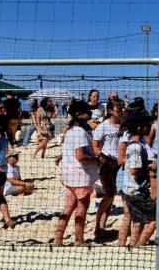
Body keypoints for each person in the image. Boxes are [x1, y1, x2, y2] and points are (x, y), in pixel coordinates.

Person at [54, 100, 98, 246]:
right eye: (88, 112)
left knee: (68, 208)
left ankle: (58, 239)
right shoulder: (79, 132)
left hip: (69, 175)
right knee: (81, 209)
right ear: (79, 114)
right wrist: (96, 160)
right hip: (80, 176)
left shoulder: (71, 131)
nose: (91, 115)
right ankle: (79, 240)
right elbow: (80, 156)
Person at [122, 111, 157, 246]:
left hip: (132, 190)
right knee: (154, 220)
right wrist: (149, 167)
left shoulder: (136, 144)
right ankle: (140, 245)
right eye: (147, 126)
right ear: (139, 129)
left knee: (138, 221)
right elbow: (134, 170)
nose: (150, 128)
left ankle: (133, 246)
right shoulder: (136, 147)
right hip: (137, 191)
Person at [92, 100, 122, 239]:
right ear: (110, 111)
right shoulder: (103, 127)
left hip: (120, 164)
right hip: (107, 165)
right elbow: (95, 146)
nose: (121, 111)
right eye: (118, 109)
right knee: (109, 194)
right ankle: (97, 225)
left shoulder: (123, 126)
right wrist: (103, 158)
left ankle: (101, 227)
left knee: (112, 196)